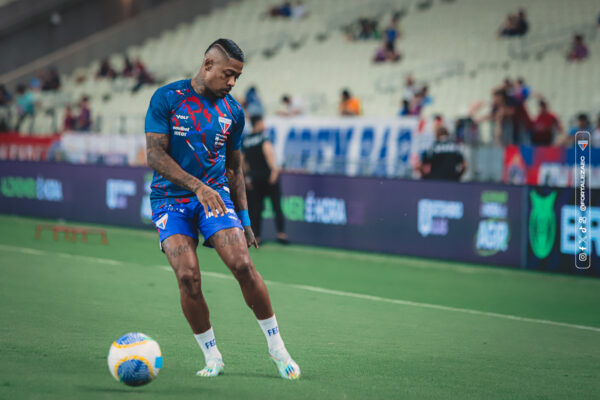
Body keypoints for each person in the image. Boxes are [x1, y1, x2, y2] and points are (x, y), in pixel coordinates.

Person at [144, 38, 300, 380]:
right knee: (188, 278)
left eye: (237, 78)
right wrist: (196, 186)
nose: (231, 83)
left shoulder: (233, 112)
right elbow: (154, 156)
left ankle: (277, 348)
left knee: (244, 265)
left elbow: (234, 168)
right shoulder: (167, 99)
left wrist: (244, 220)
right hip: (171, 200)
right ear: (207, 65)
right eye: (228, 74)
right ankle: (212, 356)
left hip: (215, 197)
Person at [242, 115, 289, 245]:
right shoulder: (264, 138)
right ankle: (281, 234)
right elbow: (269, 153)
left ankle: (256, 236)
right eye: (262, 122)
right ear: (258, 123)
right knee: (276, 206)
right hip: (268, 176)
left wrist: (246, 177)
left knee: (255, 208)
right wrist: (274, 171)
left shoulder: (246, 140)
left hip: (254, 177)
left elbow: (243, 161)